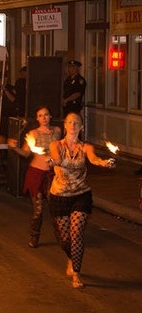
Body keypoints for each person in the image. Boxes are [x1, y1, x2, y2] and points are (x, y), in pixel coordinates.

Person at [47, 112, 115, 289]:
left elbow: (93, 159)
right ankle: (71, 257)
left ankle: (76, 272)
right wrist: (52, 161)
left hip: (81, 195)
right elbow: (55, 158)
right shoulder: (56, 145)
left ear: (81, 127)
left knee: (76, 233)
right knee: (65, 239)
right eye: (70, 122)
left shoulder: (85, 147)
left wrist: (103, 162)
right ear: (65, 125)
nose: (73, 125)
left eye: (77, 122)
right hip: (59, 196)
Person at [8, 106, 62, 248]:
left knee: (55, 206)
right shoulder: (32, 134)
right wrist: (14, 147)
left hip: (52, 174)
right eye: (40, 115)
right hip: (36, 173)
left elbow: (61, 150)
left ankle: (61, 237)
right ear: (37, 118)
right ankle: (34, 237)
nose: (44, 118)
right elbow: (26, 153)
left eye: (46, 115)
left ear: (50, 116)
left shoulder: (57, 131)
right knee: (38, 209)